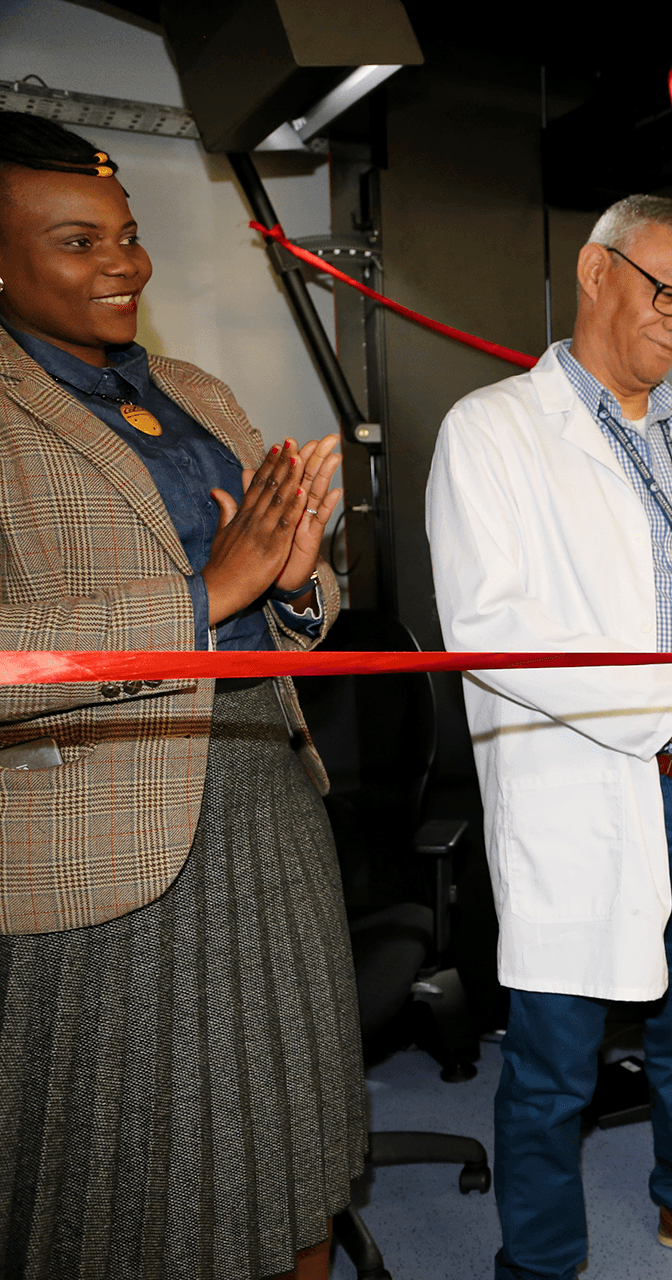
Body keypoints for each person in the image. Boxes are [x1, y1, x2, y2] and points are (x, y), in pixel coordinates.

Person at [424, 195, 672, 1277]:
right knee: (553, 1064)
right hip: (585, 789)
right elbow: (493, 629)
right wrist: (666, 706)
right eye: (668, 294)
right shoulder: (491, 428)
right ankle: (541, 1262)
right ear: (597, 272)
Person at [0, 113, 359, 1280]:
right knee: (133, 1187)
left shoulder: (197, 390)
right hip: (102, 849)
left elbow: (290, 590)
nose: (124, 264)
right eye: (76, 241)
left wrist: (298, 586)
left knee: (293, 1133)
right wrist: (210, 592)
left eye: (129, 235)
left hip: (267, 807)